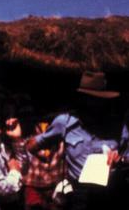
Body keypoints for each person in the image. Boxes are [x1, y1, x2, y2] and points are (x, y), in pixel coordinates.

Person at [25, 71, 129, 210]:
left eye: (98, 99)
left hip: (111, 192)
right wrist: (49, 152)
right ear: (81, 98)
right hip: (80, 195)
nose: (94, 104)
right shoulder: (65, 122)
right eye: (89, 99)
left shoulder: (117, 125)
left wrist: (120, 160)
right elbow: (32, 146)